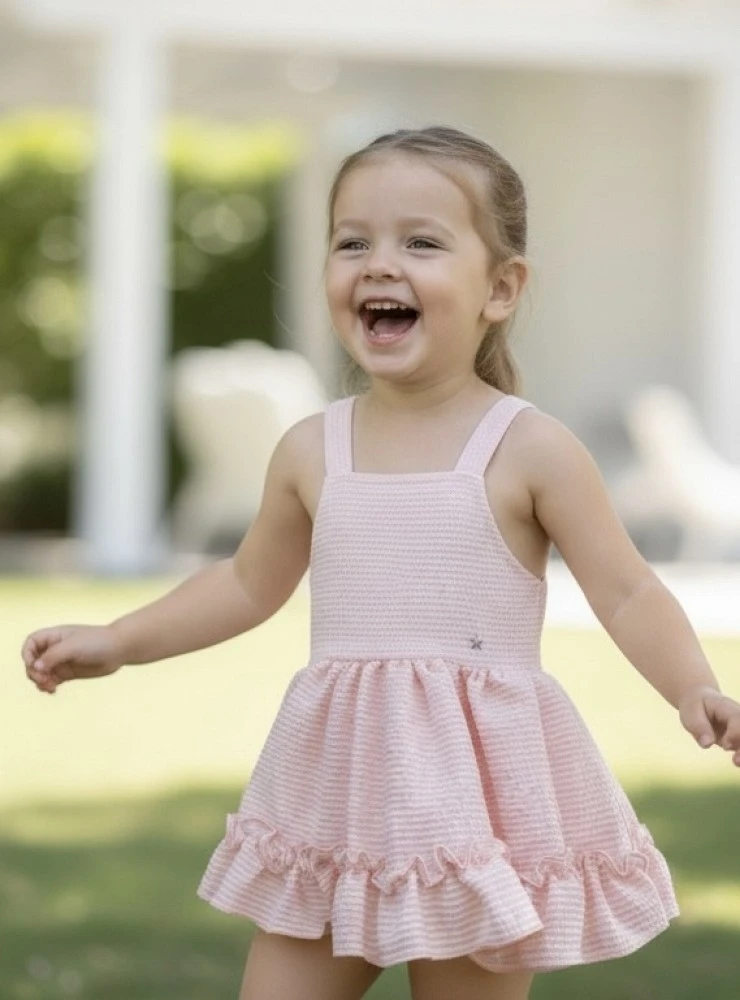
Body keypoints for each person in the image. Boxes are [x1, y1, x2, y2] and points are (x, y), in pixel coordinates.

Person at [22, 125, 740, 1000]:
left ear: (501, 288)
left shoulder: (529, 449)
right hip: (338, 794)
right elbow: (247, 582)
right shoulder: (311, 449)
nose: (378, 263)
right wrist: (121, 639)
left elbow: (626, 590)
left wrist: (691, 685)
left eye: (422, 242)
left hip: (474, 806)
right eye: (351, 241)